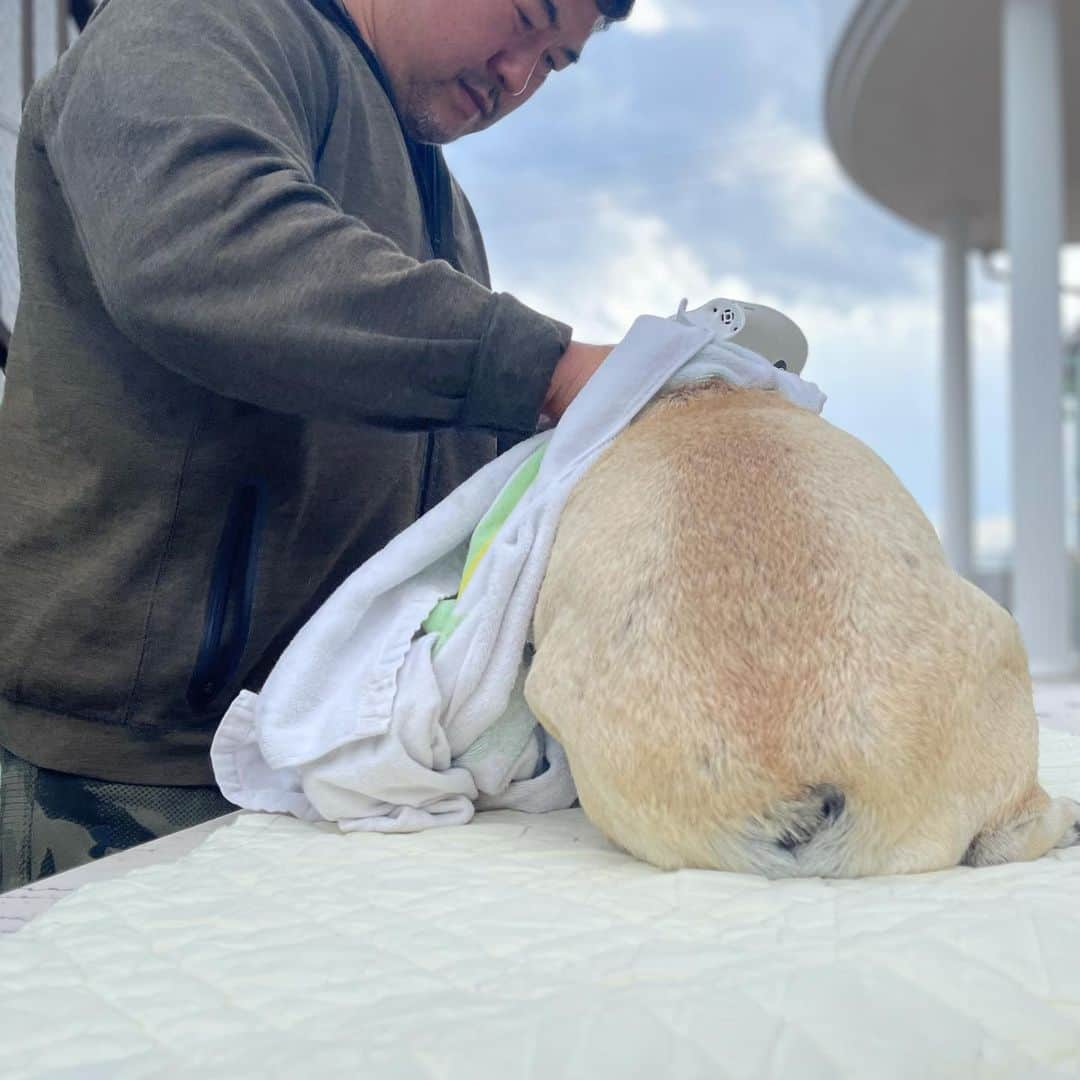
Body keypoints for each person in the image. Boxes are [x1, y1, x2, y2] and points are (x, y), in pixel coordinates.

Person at [0, 0, 635, 891]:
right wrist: (547, 369)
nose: (517, 74)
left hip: (318, 752)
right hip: (124, 764)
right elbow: (200, 249)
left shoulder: (442, 202)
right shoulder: (199, 21)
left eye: (554, 64)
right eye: (524, 17)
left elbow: (449, 465)